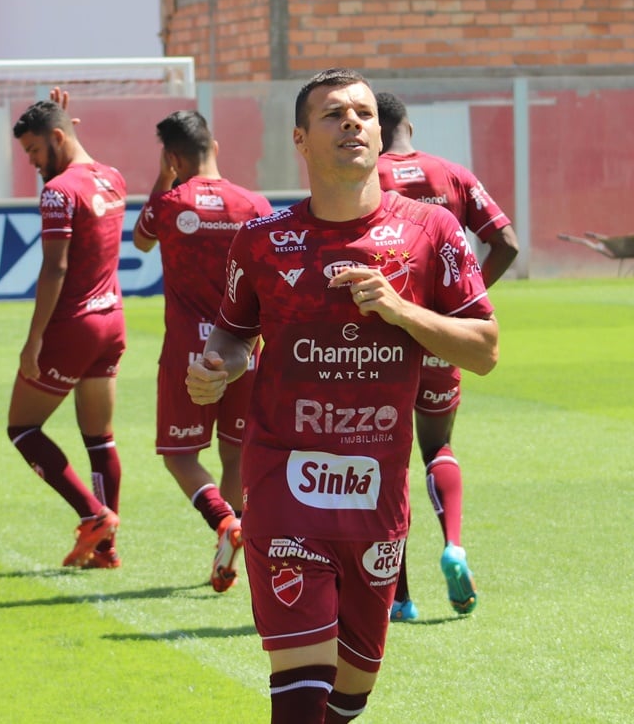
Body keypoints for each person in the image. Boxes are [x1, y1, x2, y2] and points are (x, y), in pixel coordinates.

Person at [186, 69, 498, 724]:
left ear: (380, 134)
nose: (351, 121)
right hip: (285, 484)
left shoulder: (432, 231)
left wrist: (401, 311)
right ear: (301, 139)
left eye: (362, 113)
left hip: (376, 494)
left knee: (351, 693)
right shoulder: (263, 240)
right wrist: (218, 367)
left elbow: (484, 350)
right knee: (301, 689)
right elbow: (233, 335)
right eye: (333, 114)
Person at [374, 91, 519, 621]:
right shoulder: (452, 174)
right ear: (409, 126)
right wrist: (464, 303)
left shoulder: (368, 177)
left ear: (374, 129)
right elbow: (507, 242)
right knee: (437, 445)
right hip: (445, 333)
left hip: (386, 337)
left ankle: (399, 599)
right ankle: (454, 545)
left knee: (386, 459)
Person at [132, 110, 273, 592]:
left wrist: (162, 178)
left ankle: (223, 523)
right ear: (214, 146)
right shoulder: (255, 204)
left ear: (172, 158)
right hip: (244, 350)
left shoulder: (169, 203)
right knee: (235, 456)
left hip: (188, 351)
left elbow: (141, 241)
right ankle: (232, 545)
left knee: (180, 456)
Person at [7, 91, 126, 569]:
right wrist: (61, 120)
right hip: (112, 320)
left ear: (58, 137)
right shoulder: (112, 177)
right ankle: (106, 549)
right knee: (100, 437)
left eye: (35, 150)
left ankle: (92, 515)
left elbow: (54, 268)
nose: (33, 162)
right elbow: (74, 150)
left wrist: (34, 339)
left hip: (74, 326)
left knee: (22, 428)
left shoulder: (58, 192)